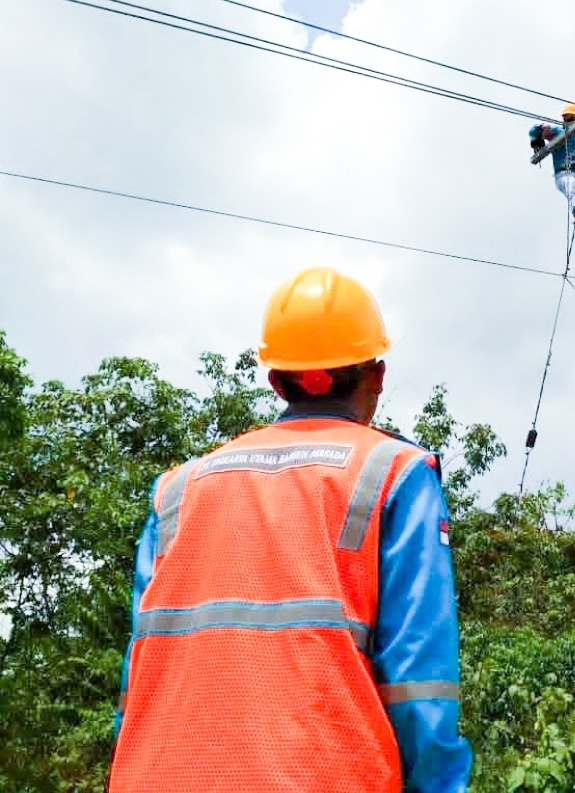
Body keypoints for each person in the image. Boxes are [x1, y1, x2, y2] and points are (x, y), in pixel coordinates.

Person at [108, 267, 472, 792]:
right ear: (378, 376)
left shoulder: (179, 490)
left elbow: (139, 669)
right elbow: (419, 683)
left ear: (276, 380)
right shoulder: (394, 473)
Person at [529, 103, 575, 233]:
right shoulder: (560, 132)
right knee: (572, 188)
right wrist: (541, 130)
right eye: (566, 118)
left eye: (571, 118)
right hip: (565, 174)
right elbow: (533, 131)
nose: (567, 121)